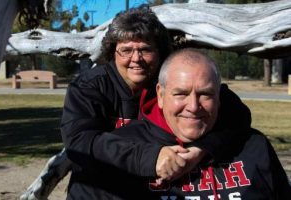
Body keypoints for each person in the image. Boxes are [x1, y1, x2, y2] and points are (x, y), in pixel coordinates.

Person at [22, 5, 251, 200]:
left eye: (145, 49)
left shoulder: (172, 79)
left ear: (160, 52)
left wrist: (200, 149)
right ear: (112, 53)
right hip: (103, 190)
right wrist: (152, 158)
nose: (136, 59)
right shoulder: (90, 87)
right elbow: (80, 142)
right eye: (126, 50)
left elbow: (235, 112)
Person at [72, 48, 291, 199]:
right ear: (160, 94)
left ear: (219, 96)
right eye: (181, 94)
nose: (194, 106)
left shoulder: (253, 146)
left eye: (205, 94)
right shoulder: (119, 150)